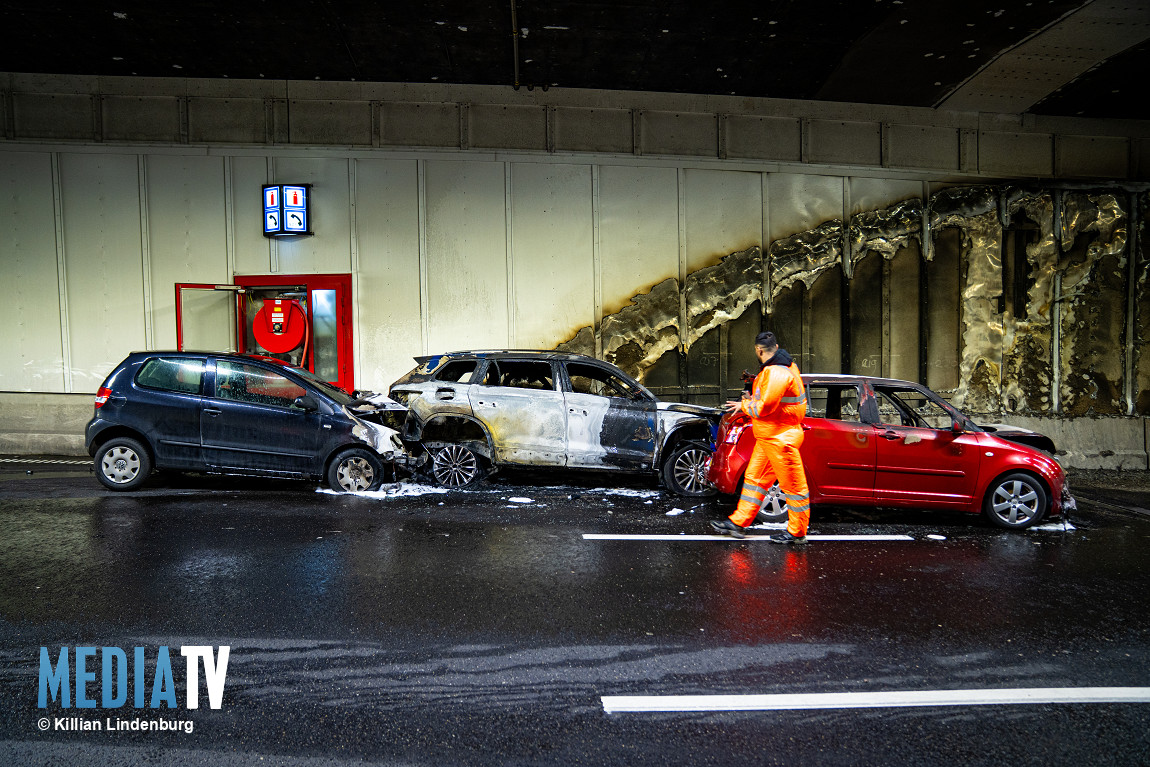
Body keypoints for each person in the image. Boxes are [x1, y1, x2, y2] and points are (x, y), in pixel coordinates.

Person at [710, 331, 811, 543]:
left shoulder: (777, 373)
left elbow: (764, 407)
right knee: (754, 480)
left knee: (793, 487)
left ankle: (797, 532)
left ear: (759, 350)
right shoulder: (781, 369)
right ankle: (738, 523)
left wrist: (744, 405)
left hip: (780, 439)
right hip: (771, 437)